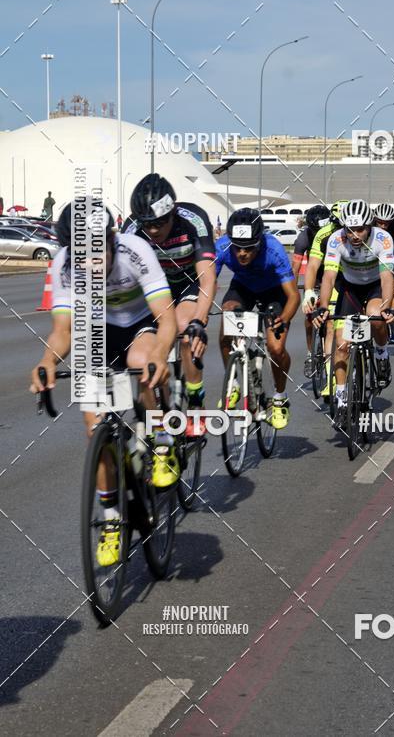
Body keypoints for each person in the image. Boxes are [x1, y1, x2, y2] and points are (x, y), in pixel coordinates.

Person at [30, 204, 177, 566]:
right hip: (98, 330)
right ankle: (112, 519)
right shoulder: (64, 264)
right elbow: (63, 331)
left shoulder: (135, 252)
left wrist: (161, 351)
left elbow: (167, 317)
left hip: (141, 322)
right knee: (94, 422)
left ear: (112, 239)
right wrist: (48, 361)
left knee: (140, 363)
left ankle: (161, 442)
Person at [128, 174, 217, 435]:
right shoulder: (133, 230)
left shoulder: (193, 221)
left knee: (185, 329)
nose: (153, 231)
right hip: (153, 291)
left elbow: (208, 278)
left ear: (172, 213)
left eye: (158, 224)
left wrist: (199, 322)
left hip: (187, 283)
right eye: (147, 225)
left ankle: (195, 397)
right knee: (143, 355)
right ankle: (162, 408)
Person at [216, 208, 300, 430]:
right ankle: (233, 383)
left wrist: (283, 318)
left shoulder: (274, 250)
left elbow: (293, 296)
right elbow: (206, 284)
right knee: (227, 318)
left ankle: (280, 398)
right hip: (243, 287)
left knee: (276, 347)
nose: (242, 253)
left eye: (249, 248)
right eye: (238, 248)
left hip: (275, 292)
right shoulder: (223, 246)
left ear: (259, 242)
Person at [314, 199, 394, 426]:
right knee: (341, 344)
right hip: (349, 287)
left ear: (369, 227)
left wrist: (387, 306)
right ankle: (341, 399)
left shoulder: (383, 239)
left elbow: (387, 277)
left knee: (375, 316)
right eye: (349, 229)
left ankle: (381, 354)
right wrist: (322, 307)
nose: (354, 235)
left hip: (375, 286)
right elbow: (329, 277)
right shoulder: (336, 239)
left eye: (359, 229)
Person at [302, 200, 347, 398]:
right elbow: (312, 266)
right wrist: (309, 291)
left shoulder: (366, 233)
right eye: (336, 225)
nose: (341, 231)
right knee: (330, 326)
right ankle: (330, 376)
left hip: (360, 279)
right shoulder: (323, 234)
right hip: (332, 278)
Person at [291, 204, 331, 376]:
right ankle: (311, 354)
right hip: (314, 277)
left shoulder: (334, 235)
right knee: (309, 316)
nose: (319, 235)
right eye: (315, 231)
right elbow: (295, 267)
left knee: (331, 316)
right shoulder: (303, 238)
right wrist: (292, 291)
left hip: (332, 275)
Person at [373, 203, 394, 344]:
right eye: (380, 222)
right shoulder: (369, 224)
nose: (383, 226)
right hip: (373, 259)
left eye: (387, 223)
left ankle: (393, 324)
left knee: (392, 291)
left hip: (390, 258)